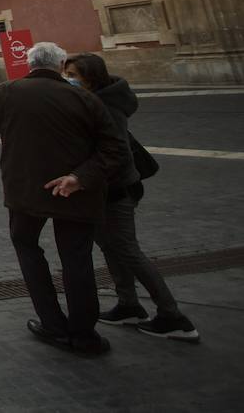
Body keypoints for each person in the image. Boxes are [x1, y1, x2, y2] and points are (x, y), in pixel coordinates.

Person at [0, 41, 128, 356]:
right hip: (74, 191)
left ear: (29, 64)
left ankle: (52, 323)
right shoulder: (85, 98)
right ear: (61, 65)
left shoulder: (7, 92)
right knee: (77, 260)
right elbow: (115, 148)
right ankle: (84, 336)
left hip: (26, 192)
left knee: (27, 248)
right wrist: (80, 178)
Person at [64, 53, 199, 342]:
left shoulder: (106, 107)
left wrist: (82, 177)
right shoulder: (94, 101)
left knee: (127, 249)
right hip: (101, 190)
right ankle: (128, 304)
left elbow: (116, 154)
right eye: (66, 73)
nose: (68, 79)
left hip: (116, 190)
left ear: (90, 78)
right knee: (110, 247)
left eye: (73, 74)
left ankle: (173, 317)